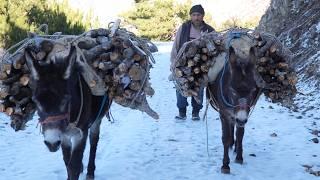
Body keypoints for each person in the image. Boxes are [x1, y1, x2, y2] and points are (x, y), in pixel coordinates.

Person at [170, 4, 215, 120]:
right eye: (194, 15)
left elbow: (216, 47)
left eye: (198, 15)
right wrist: (173, 62)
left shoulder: (209, 30)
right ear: (190, 16)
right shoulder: (184, 28)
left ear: (203, 16)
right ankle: (182, 112)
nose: (196, 17)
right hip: (183, 63)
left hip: (201, 65)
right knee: (181, 87)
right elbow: (176, 45)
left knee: (198, 88)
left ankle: (196, 112)